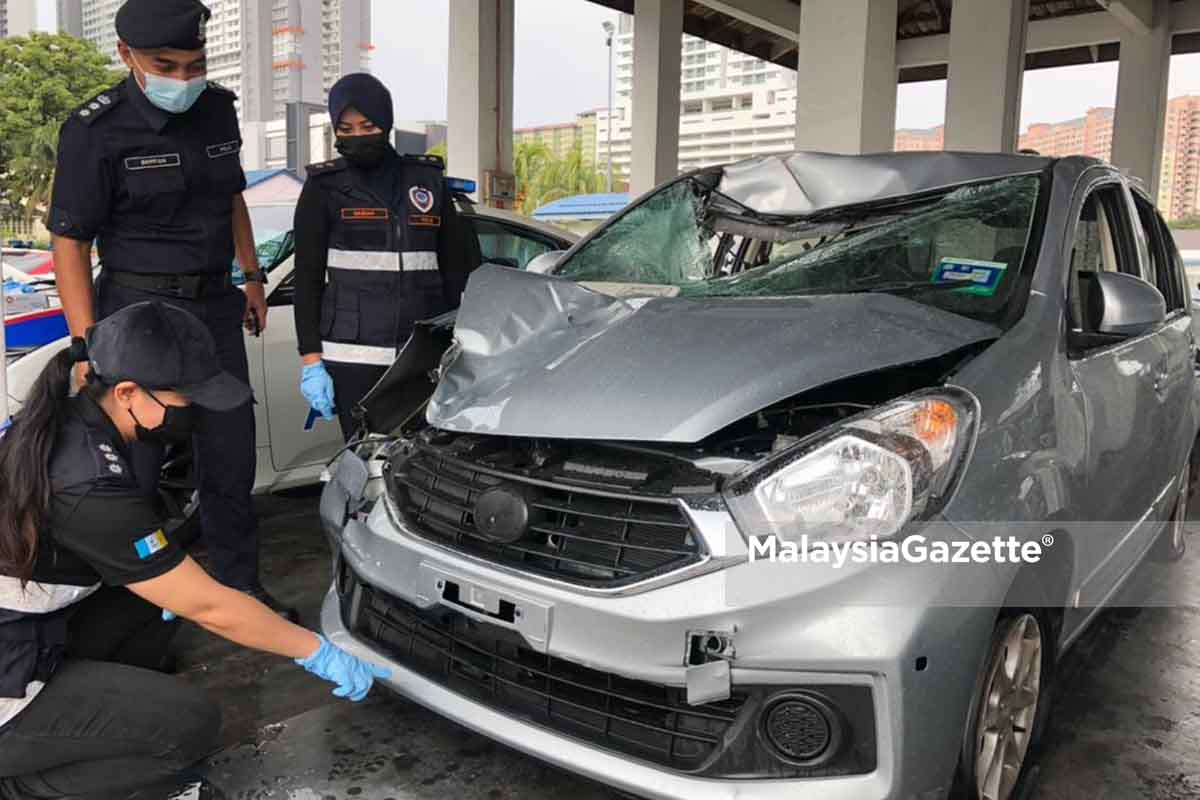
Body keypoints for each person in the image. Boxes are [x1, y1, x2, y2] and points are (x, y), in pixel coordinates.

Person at [0, 302, 390, 800]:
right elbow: (211, 606)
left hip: (26, 629)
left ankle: (83, 720)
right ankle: (20, 783)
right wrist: (316, 650)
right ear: (126, 393)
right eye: (183, 396)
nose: (192, 409)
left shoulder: (76, 423)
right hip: (8, 681)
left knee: (148, 612)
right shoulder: (86, 480)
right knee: (188, 727)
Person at [46, 0, 290, 615]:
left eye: (195, 65)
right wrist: (86, 346)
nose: (183, 79)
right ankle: (131, 606)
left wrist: (253, 277)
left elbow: (232, 196)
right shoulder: (93, 130)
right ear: (126, 56)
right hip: (137, 315)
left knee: (230, 457)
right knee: (137, 467)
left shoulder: (216, 110)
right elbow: (69, 241)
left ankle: (239, 588)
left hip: (212, 310)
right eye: (166, 65)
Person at [293, 73, 482, 441]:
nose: (357, 135)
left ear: (386, 122)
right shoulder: (323, 189)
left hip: (421, 357)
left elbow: (459, 269)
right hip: (352, 360)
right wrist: (311, 360)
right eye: (345, 128)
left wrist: (464, 340)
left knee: (424, 459)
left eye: (367, 125)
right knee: (365, 462)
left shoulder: (426, 182)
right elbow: (307, 280)